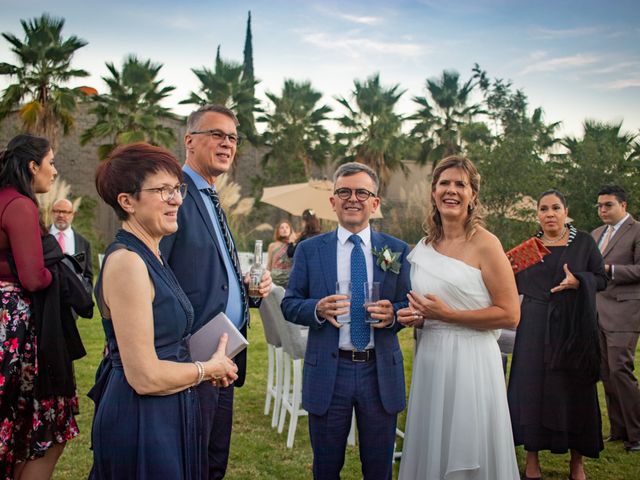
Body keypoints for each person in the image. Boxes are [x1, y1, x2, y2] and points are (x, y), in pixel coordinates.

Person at [89, 142, 238, 479]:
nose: (177, 200)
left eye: (177, 189)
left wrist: (213, 366)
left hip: (167, 409)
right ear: (127, 201)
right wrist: (206, 369)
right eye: (162, 191)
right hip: (141, 418)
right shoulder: (127, 262)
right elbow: (144, 377)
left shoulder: (152, 253)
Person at [160, 104, 271, 479]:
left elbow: (210, 273)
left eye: (232, 138)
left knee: (213, 459)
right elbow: (157, 275)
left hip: (225, 357)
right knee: (190, 459)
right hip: (191, 358)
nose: (227, 144)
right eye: (217, 135)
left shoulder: (211, 197)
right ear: (189, 141)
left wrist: (248, 291)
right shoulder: (175, 196)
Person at [281, 162, 411, 480]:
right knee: (325, 469)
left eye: (362, 192)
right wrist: (317, 309)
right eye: (344, 192)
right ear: (333, 201)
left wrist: (394, 315)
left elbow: (409, 305)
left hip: (377, 371)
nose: (353, 198)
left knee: (379, 470)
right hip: (329, 370)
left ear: (375, 202)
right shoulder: (310, 251)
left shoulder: (396, 250)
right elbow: (290, 304)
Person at [397, 155, 520, 479]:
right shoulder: (424, 246)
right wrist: (419, 317)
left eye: (460, 184)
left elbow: (510, 313)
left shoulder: (486, 244)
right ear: (433, 193)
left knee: (471, 446)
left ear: (473, 195)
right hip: (432, 359)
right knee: (433, 445)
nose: (451, 191)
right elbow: (430, 309)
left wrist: (448, 315)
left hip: (473, 362)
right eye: (444, 184)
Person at [508, 189, 607, 480]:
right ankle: (532, 460)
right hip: (535, 327)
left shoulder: (585, 242)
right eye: (543, 209)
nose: (549, 214)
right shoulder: (530, 247)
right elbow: (503, 277)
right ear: (537, 214)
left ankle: (577, 463)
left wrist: (579, 281)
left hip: (573, 326)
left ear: (566, 211)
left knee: (574, 390)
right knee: (531, 389)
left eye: (555, 208)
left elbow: (601, 278)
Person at [0, 134, 75, 479]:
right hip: (12, 325)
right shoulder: (19, 205)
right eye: (51, 162)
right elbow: (32, 278)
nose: (54, 170)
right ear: (33, 166)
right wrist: (55, 270)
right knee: (36, 422)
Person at [591, 184, 640, 453]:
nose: (602, 210)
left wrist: (610, 270)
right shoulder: (596, 234)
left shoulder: (637, 230)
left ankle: (638, 433)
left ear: (623, 205)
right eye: (599, 206)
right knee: (607, 373)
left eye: (608, 205)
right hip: (597, 311)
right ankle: (620, 430)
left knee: (621, 370)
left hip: (624, 311)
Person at [49, 198, 93, 284]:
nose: (61, 215)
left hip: (73, 294)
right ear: (52, 213)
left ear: (73, 214)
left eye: (65, 212)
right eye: (57, 211)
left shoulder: (83, 243)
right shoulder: (42, 237)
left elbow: (88, 275)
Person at [267, 220, 293, 286]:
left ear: (290, 230)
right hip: (275, 279)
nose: (285, 229)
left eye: (287, 227)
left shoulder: (293, 245)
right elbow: (269, 264)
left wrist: (292, 242)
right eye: (282, 227)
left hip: (289, 279)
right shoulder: (272, 245)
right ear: (278, 231)